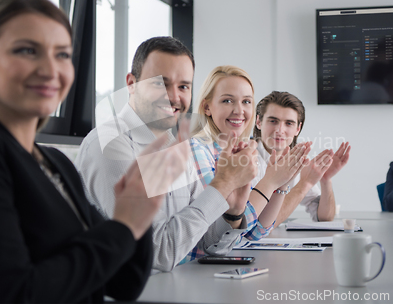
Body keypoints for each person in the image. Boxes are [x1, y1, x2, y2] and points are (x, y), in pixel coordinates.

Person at [0, 0, 188, 303]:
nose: (50, 69)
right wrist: (125, 225)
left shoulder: (54, 163)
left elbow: (124, 281)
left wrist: (139, 208)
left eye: (62, 55)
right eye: (27, 50)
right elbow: (13, 293)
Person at [75, 37, 258, 272]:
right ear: (131, 83)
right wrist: (222, 186)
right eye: (160, 84)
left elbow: (205, 245)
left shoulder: (175, 147)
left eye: (183, 86)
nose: (173, 97)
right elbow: (157, 255)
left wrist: (232, 212)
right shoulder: (111, 146)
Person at [191, 67, 309, 240]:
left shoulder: (240, 152)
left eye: (246, 102)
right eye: (227, 101)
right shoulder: (198, 151)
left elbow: (255, 232)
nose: (239, 111)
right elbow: (221, 235)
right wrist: (270, 182)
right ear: (207, 107)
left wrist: (281, 186)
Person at [253, 91, 351, 224]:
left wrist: (325, 179)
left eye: (289, 123)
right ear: (258, 121)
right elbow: (259, 224)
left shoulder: (295, 161)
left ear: (298, 129)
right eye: (273, 121)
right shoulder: (246, 159)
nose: (280, 130)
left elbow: (324, 217)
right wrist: (305, 183)